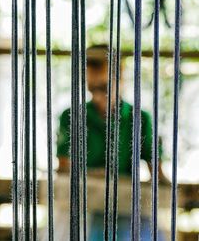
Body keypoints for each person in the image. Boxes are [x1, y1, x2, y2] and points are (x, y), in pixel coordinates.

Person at [56, 44, 166, 240]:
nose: (94, 77)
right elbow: (65, 167)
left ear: (119, 74)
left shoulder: (139, 118)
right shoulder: (71, 116)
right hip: (85, 207)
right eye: (89, 70)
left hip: (125, 208)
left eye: (100, 69)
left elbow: (157, 174)